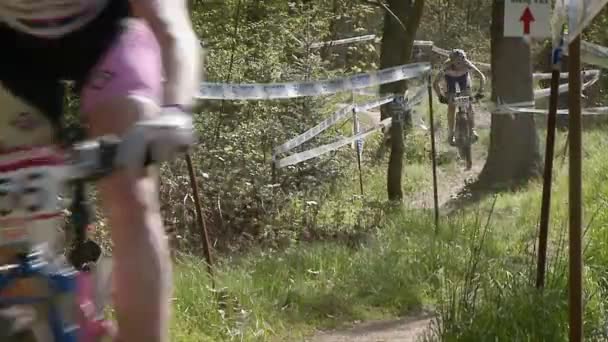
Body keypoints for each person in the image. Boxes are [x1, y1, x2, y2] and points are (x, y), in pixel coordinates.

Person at [0, 0, 201, 341]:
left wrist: (175, 109)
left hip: (108, 33)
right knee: (13, 221)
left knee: (131, 194)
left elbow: (173, 29)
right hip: (10, 49)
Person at [432, 49, 485, 145]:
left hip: (464, 81)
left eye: (461, 61)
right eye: (457, 62)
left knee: (469, 105)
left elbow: (481, 76)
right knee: (451, 106)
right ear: (451, 61)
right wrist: (441, 96)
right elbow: (435, 83)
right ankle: (451, 133)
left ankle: (472, 130)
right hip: (449, 82)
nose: (460, 64)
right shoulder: (446, 67)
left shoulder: (467, 64)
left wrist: (480, 91)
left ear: (464, 60)